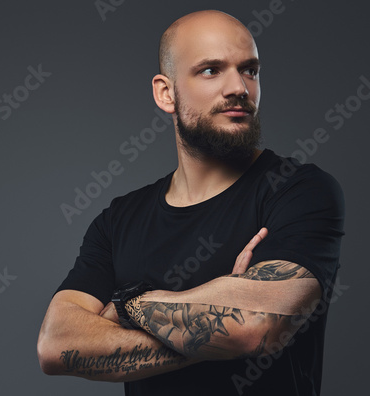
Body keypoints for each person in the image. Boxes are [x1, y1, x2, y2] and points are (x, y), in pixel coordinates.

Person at [37, 10, 345, 396]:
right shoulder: (118, 220)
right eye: (211, 70)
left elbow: (255, 328)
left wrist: (127, 304)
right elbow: (57, 345)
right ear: (166, 93)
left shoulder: (299, 190)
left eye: (249, 70)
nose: (239, 87)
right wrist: (218, 323)